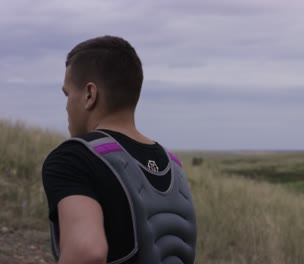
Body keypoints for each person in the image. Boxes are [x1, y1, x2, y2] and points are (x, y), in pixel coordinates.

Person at [42, 36, 197, 264]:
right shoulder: (173, 164)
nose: (66, 105)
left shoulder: (73, 158)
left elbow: (87, 252)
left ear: (89, 95)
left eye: (68, 94)